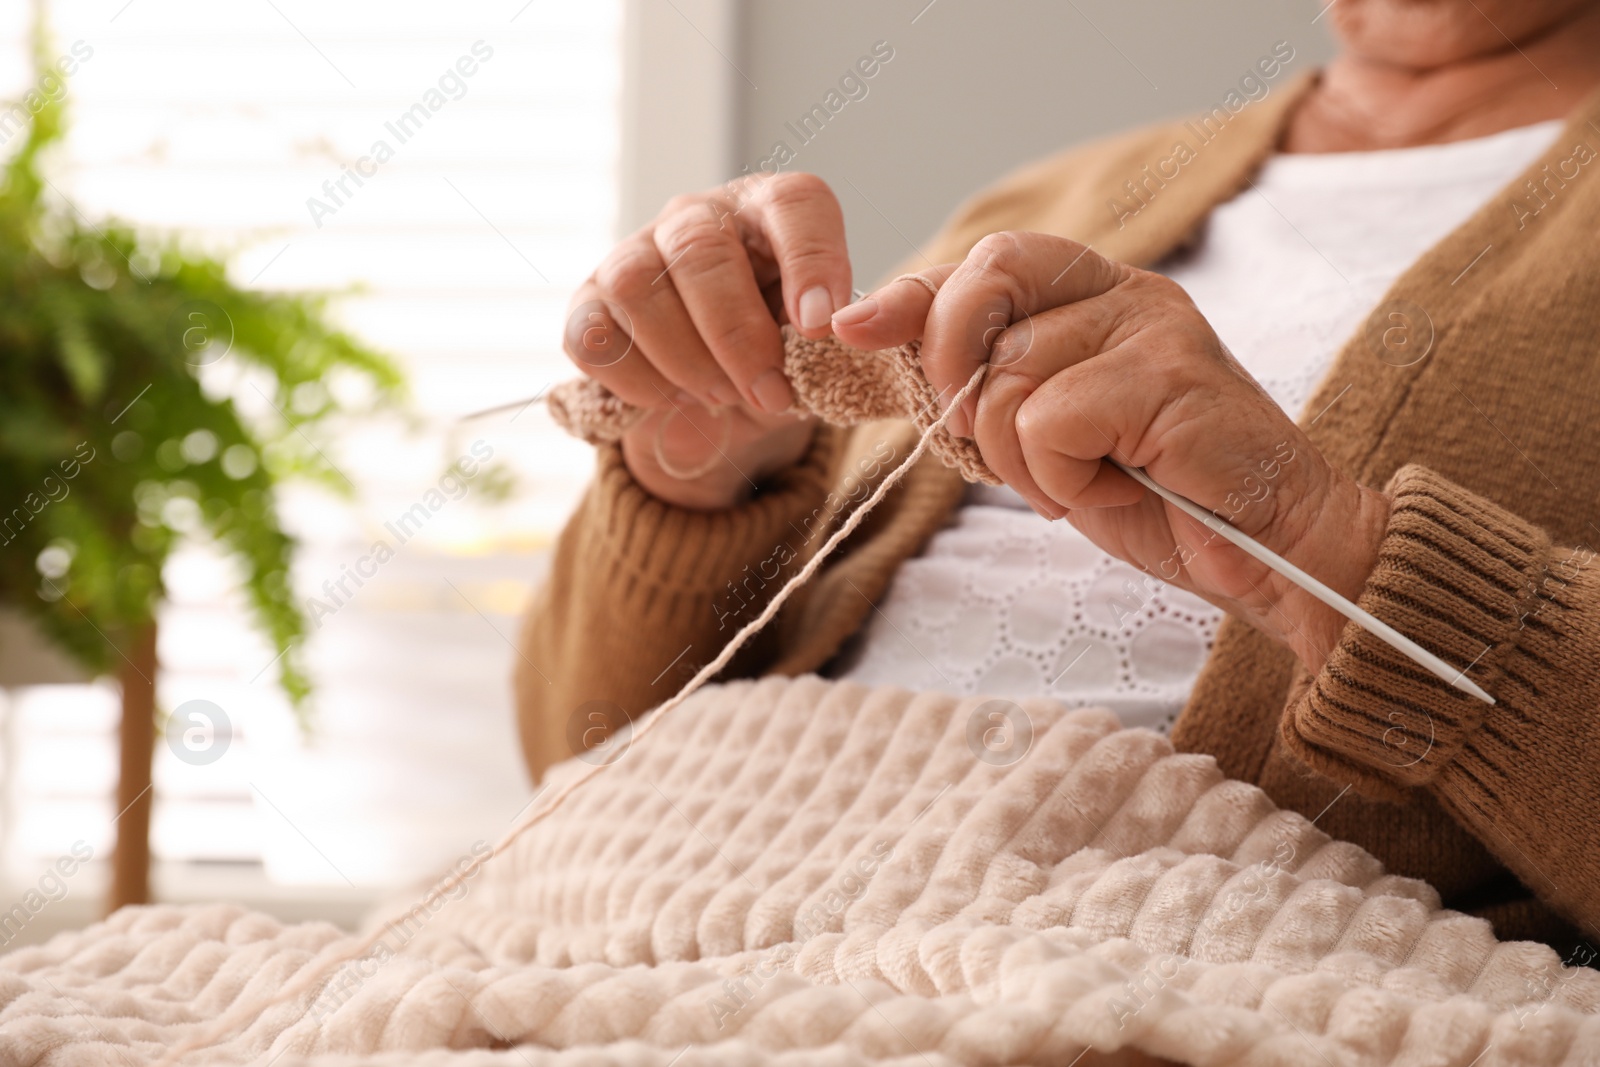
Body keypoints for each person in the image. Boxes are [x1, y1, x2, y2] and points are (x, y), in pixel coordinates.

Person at [518, 0, 1600, 950]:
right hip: (690, 906)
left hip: (1154, 965)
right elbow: (573, 749)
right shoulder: (1063, 190)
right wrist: (703, 471)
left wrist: (1330, 544)